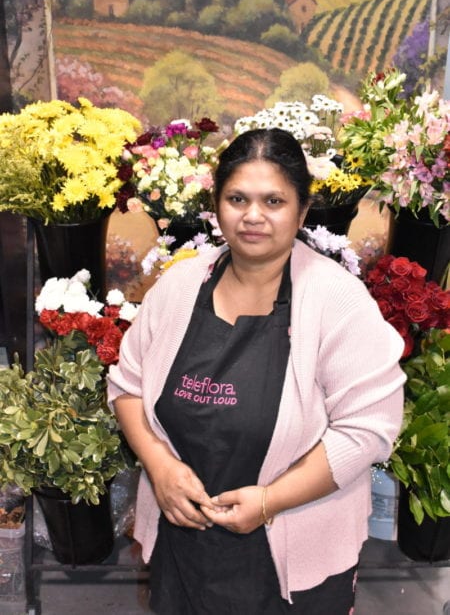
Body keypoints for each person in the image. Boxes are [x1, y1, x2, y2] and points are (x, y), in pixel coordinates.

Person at [107, 128, 405, 614]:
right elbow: (127, 385)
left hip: (293, 543)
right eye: (237, 198)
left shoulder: (338, 301)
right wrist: (160, 470)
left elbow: (367, 431)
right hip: (184, 546)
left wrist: (269, 501)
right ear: (216, 204)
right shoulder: (180, 285)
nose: (252, 216)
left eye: (273, 201)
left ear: (302, 211)